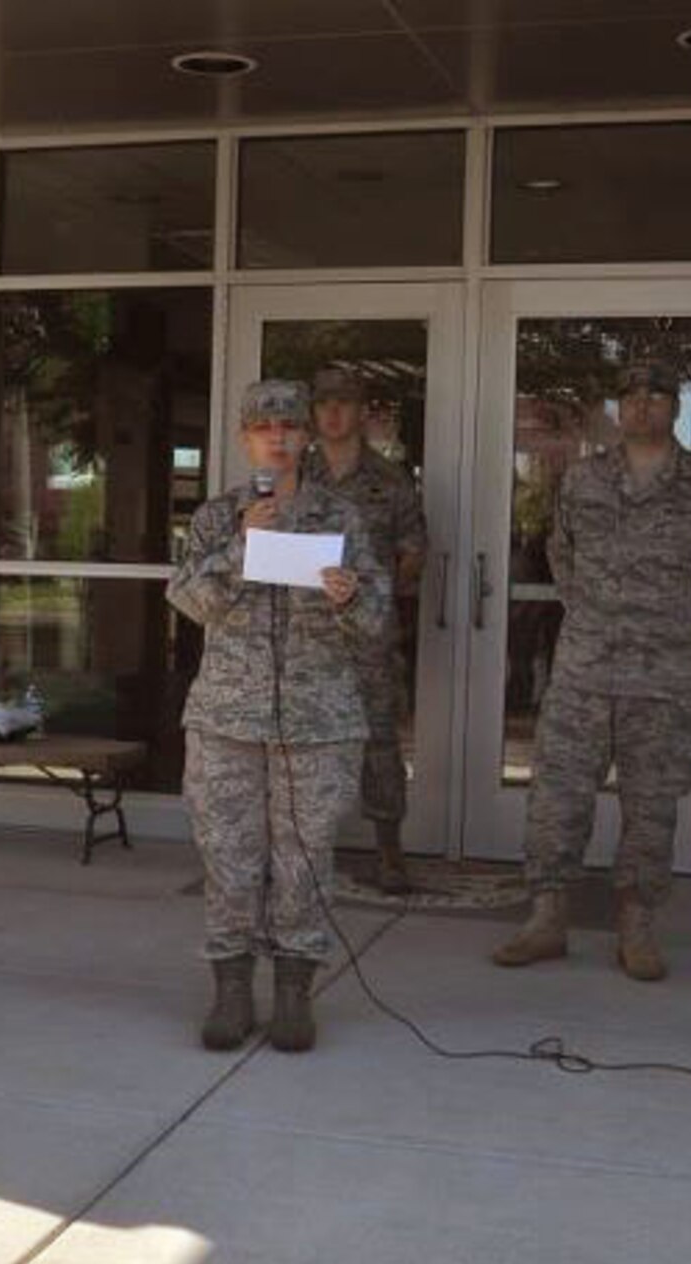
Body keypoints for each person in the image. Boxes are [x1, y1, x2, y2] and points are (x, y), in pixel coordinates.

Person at [492, 361, 691, 980]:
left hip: (664, 676)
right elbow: (560, 552)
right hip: (585, 668)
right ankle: (547, 916)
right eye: (630, 395)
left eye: (655, 395)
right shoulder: (583, 479)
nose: (641, 406)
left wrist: (690, 630)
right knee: (557, 796)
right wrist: (594, 613)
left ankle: (636, 923)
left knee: (652, 802)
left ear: (674, 407)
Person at [168, 379, 390, 1053]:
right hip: (228, 718)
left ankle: (295, 991)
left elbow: (378, 619)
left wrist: (349, 597)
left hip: (316, 720)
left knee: (303, 859)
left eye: (291, 427)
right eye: (265, 428)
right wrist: (240, 547)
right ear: (245, 439)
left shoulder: (341, 518)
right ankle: (232, 991)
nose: (279, 437)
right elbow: (187, 601)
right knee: (229, 858)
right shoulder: (216, 516)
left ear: (307, 437)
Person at [302, 367, 429, 893]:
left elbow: (413, 552)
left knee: (377, 740)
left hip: (368, 637)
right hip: (304, 632)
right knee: (303, 740)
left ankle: (389, 849)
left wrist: (376, 601)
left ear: (362, 411)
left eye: (344, 402)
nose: (332, 412)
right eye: (323, 402)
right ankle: (304, 849)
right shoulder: (295, 475)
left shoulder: (391, 479)